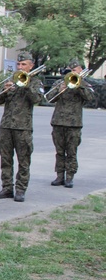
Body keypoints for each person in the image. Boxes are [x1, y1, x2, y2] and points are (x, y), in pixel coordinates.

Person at [0, 52, 43, 202]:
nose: (20, 67)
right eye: (18, 64)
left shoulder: (35, 82)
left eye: (23, 65)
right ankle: (7, 187)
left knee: (24, 160)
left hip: (23, 127)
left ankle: (20, 189)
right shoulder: (11, 80)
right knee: (6, 159)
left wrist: (26, 86)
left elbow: (37, 99)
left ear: (31, 66)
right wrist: (4, 90)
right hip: (6, 126)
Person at [48, 58, 95, 188]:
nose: (71, 72)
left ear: (81, 70)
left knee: (72, 151)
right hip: (58, 121)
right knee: (59, 151)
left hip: (74, 124)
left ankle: (69, 177)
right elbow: (49, 98)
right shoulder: (60, 82)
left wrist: (79, 85)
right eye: (70, 70)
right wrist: (59, 90)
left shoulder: (85, 84)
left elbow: (90, 98)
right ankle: (59, 176)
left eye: (74, 70)